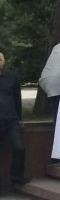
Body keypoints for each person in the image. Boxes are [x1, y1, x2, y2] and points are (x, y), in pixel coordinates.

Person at [0, 51, 28, 188]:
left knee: (19, 148)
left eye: (0, 59)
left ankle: (17, 177)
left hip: (11, 121)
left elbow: (17, 99)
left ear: (4, 61)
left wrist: (19, 119)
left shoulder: (12, 77)